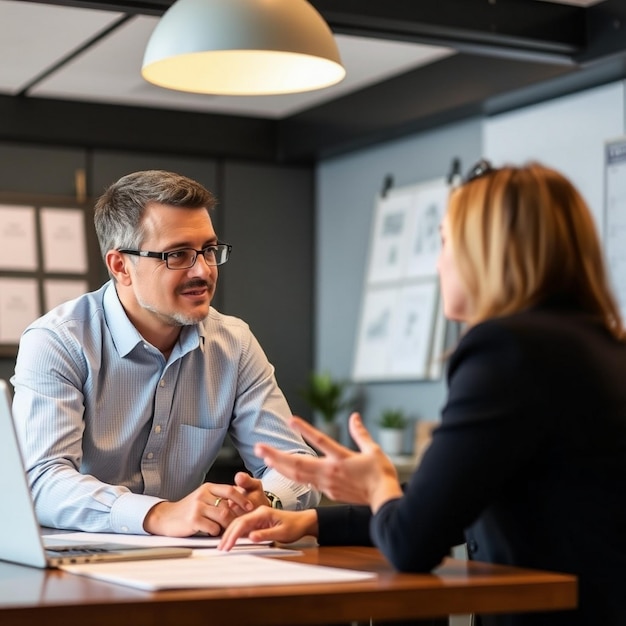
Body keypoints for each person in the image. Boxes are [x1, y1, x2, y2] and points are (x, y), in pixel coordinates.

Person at [219, 161, 626, 625]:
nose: (438, 262)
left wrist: (377, 484)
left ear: (487, 251)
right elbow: (454, 498)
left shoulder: (508, 349)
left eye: (445, 241)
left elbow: (415, 541)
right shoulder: (600, 346)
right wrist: (312, 522)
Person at [11, 169, 319, 537]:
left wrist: (266, 501)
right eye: (178, 255)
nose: (203, 271)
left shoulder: (233, 343)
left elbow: (296, 467)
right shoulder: (58, 341)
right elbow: (40, 481)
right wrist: (158, 514)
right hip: (79, 560)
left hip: (188, 556)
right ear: (120, 266)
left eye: (208, 250)